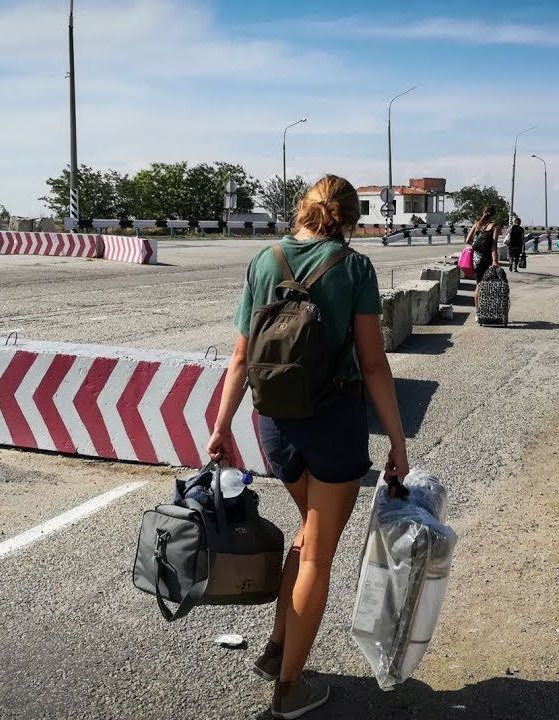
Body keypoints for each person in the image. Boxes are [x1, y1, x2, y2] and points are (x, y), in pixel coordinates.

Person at [207, 174, 410, 720]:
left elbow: (239, 358)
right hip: (333, 424)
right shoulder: (355, 266)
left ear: (302, 209)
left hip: (275, 424)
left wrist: (222, 426)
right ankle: (291, 691)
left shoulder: (265, 260)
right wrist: (397, 440)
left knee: (307, 534)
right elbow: (373, 364)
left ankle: (278, 650)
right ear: (348, 218)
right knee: (318, 551)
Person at [464, 206, 501, 315]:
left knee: (478, 285)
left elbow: (468, 240)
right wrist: (495, 261)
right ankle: (487, 309)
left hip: (476, 258)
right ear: (493, 214)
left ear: (483, 212)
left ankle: (478, 312)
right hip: (487, 258)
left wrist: (476, 247)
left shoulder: (476, 224)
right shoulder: (494, 227)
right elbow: (494, 246)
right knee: (488, 284)